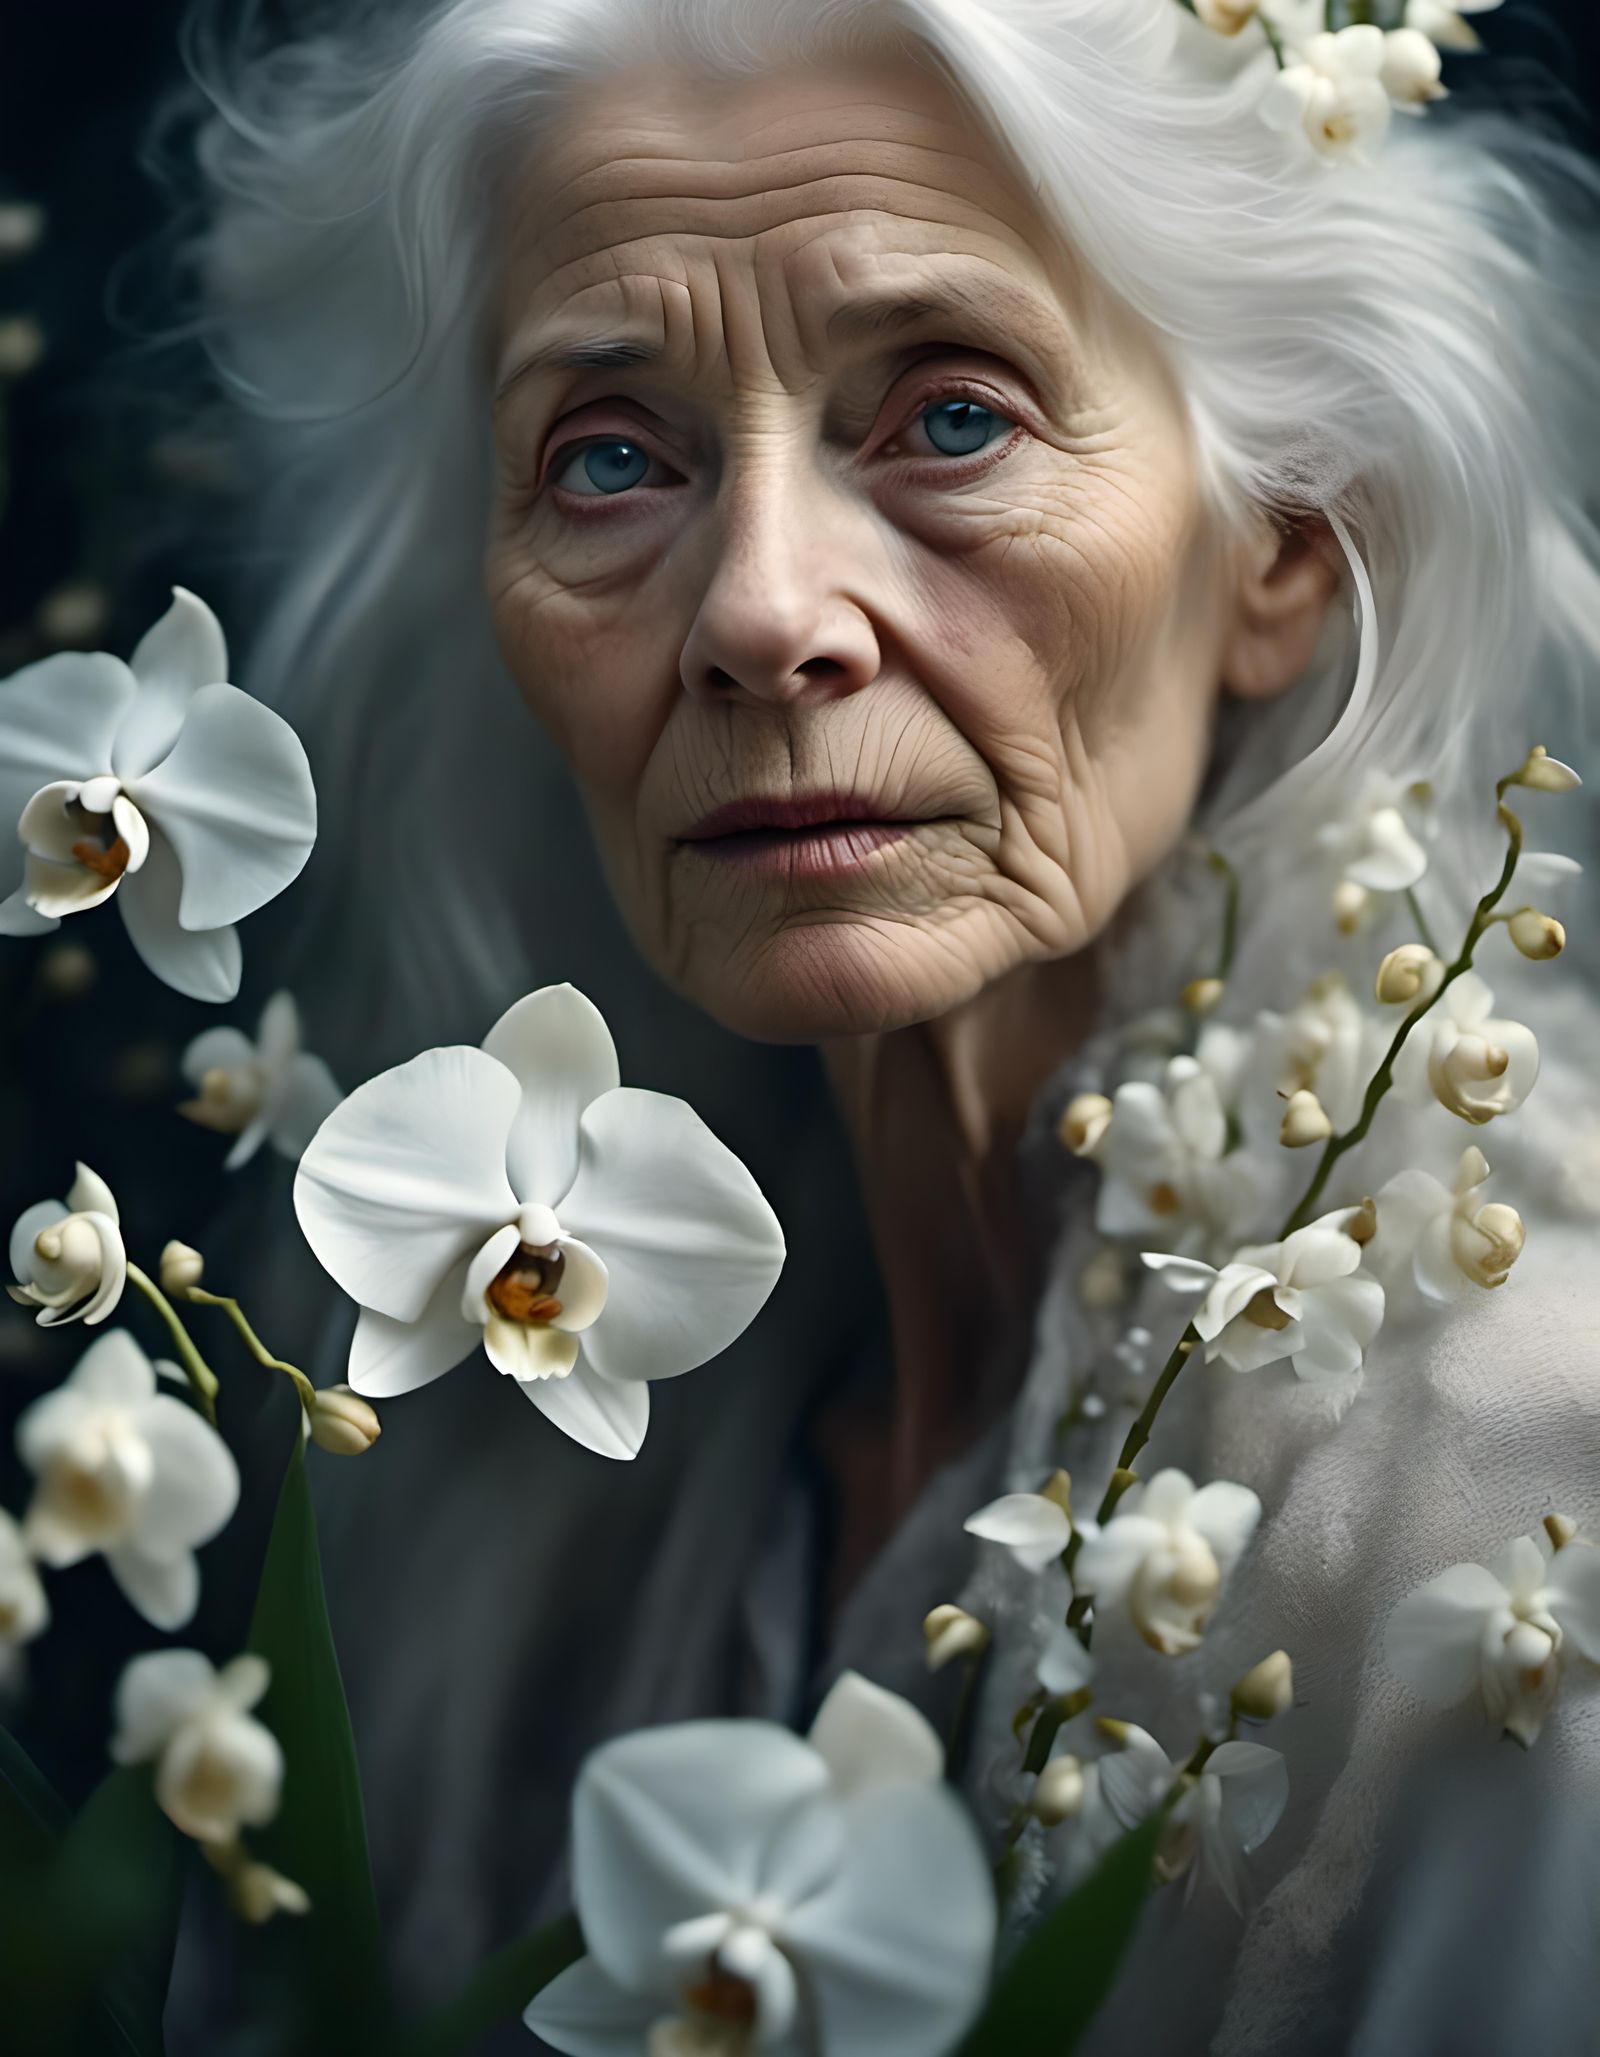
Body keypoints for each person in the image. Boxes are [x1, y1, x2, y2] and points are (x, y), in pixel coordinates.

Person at [164, 0, 1600, 2048]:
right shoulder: (517, 1458)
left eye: (951, 419)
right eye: (606, 455)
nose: (760, 613)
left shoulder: (1519, 1504)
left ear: (1291, 538)